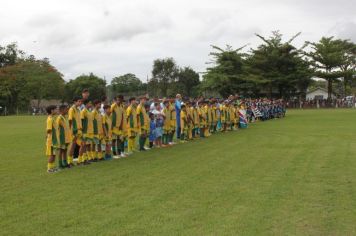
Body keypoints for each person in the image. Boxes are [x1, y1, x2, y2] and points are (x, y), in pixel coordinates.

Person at [68, 97, 82, 167]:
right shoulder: (71, 109)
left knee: (82, 144)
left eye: (80, 101)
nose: (80, 103)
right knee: (73, 145)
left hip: (79, 130)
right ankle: (69, 161)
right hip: (74, 130)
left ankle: (80, 160)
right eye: (78, 101)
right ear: (74, 102)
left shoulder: (78, 109)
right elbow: (70, 120)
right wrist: (71, 130)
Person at [56, 105, 71, 169]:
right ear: (62, 110)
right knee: (61, 150)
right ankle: (60, 164)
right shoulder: (59, 118)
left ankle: (65, 162)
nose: (67, 111)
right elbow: (56, 128)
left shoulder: (64, 117)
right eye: (66, 109)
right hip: (62, 138)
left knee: (65, 150)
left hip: (66, 137)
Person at [45, 105, 58, 173]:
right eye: (55, 109)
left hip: (54, 139)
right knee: (51, 154)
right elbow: (49, 130)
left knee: (54, 154)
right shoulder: (50, 119)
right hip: (51, 140)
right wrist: (48, 136)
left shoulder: (52, 118)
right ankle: (49, 168)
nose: (57, 110)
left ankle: (52, 167)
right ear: (52, 111)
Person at [80, 99, 93, 165]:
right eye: (90, 103)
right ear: (86, 104)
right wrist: (82, 131)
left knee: (88, 145)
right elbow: (81, 121)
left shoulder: (89, 111)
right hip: (85, 131)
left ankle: (88, 158)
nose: (91, 104)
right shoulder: (83, 111)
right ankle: (83, 159)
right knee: (84, 145)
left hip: (90, 131)